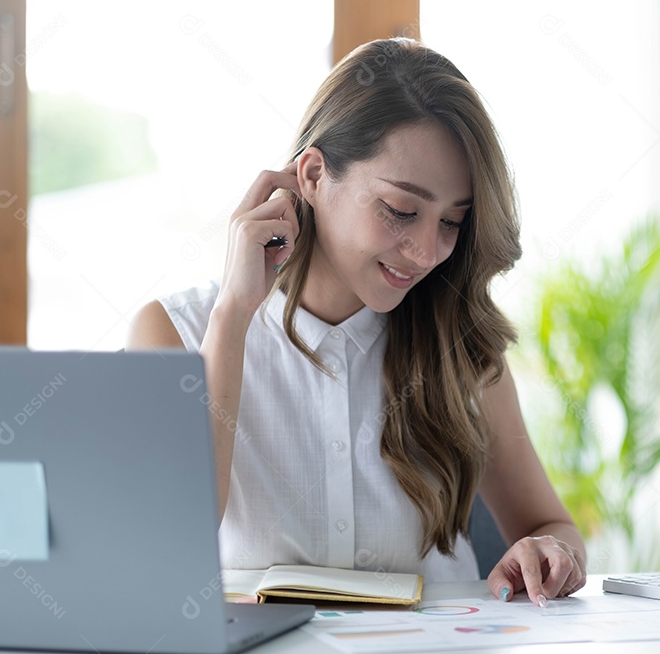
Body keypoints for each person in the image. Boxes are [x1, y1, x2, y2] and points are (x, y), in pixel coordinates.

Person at [127, 37, 586, 607]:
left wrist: (549, 553)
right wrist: (233, 317)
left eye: (451, 222)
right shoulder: (175, 332)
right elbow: (167, 547)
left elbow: (551, 527)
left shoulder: (459, 343)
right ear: (314, 175)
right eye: (401, 211)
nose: (425, 252)